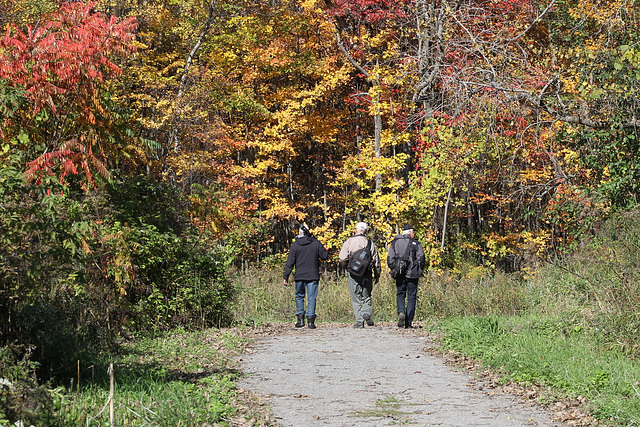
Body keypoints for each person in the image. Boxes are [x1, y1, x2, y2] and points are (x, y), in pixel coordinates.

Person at [283, 224, 329, 329]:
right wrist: (325, 249)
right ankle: (311, 322)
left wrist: (286, 276)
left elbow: (290, 262)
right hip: (313, 275)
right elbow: (325, 256)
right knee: (311, 297)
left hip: (299, 275)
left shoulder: (295, 245)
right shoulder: (316, 243)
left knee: (299, 296)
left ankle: (300, 320)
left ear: (299, 233)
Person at [338, 222, 381, 328]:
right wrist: (377, 275)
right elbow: (376, 261)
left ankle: (360, 321)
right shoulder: (370, 243)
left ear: (356, 230)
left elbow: (342, 258)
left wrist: (346, 268)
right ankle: (366, 312)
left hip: (353, 273)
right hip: (367, 273)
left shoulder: (349, 242)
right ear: (365, 231)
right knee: (366, 296)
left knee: (355, 297)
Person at [387, 223, 425, 329]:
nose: (414, 234)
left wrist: (395, 269)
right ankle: (408, 322)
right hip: (413, 274)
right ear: (410, 232)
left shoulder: (394, 243)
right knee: (412, 297)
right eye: (413, 232)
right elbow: (421, 258)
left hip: (399, 273)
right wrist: (419, 269)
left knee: (400, 294)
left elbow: (390, 259)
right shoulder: (416, 243)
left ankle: (401, 312)